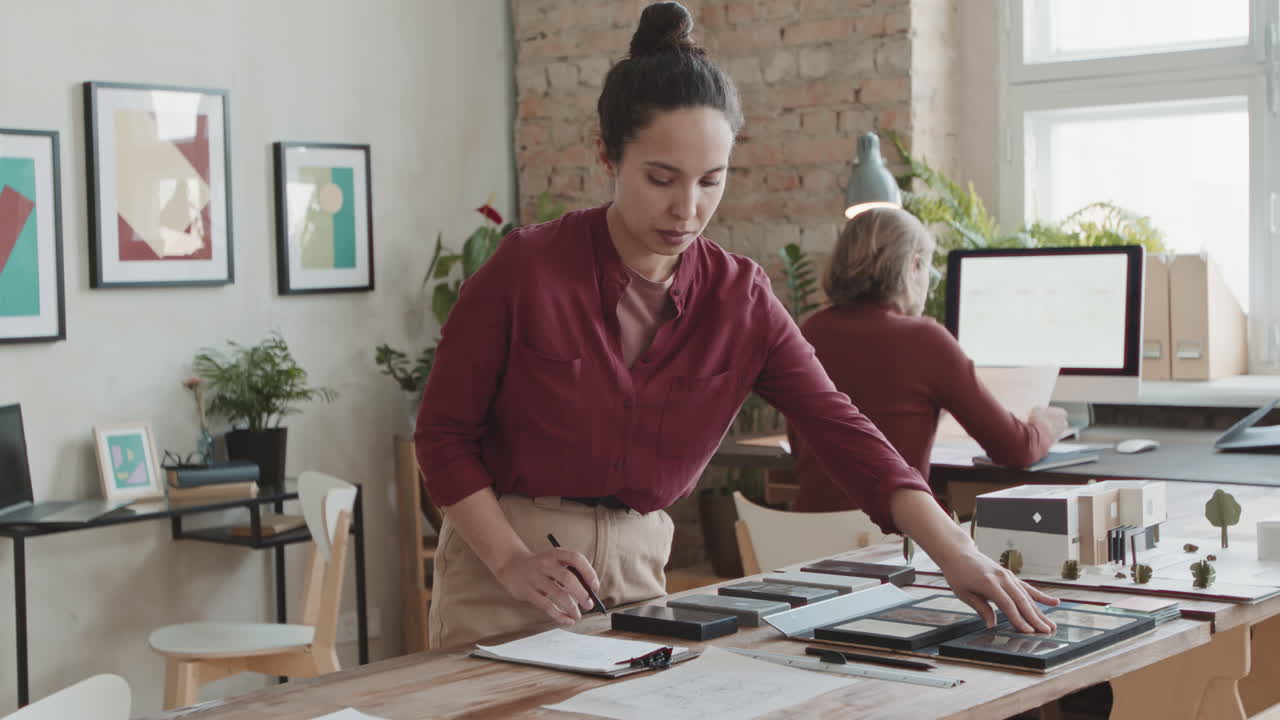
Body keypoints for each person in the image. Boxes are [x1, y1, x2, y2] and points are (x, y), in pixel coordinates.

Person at [415, 1, 1057, 651]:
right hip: (506, 571)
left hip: (637, 573)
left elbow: (843, 430)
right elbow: (441, 434)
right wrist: (510, 560)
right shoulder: (527, 268)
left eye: (710, 181)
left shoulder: (739, 300)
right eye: (661, 179)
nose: (687, 209)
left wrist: (954, 552)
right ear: (607, 154)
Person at [792, 207, 1070, 513]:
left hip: (808, 543)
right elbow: (1015, 448)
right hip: (893, 543)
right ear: (913, 266)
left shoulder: (810, 331)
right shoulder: (924, 339)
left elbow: (801, 444)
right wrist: (1046, 425)